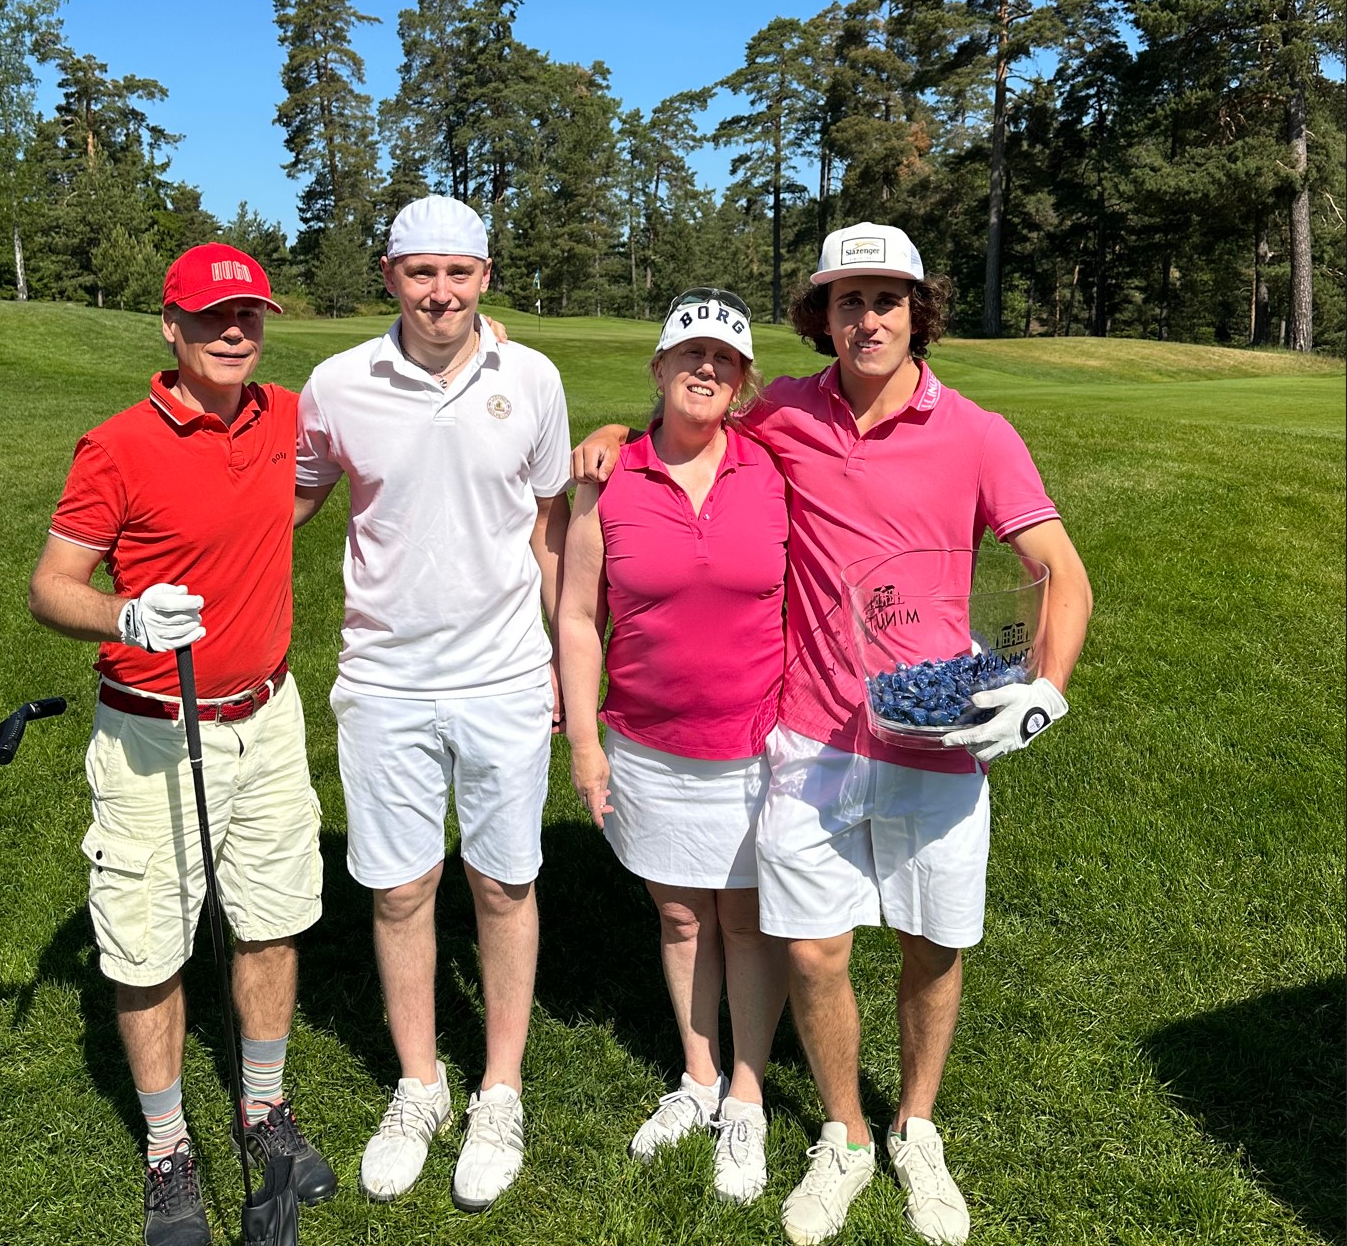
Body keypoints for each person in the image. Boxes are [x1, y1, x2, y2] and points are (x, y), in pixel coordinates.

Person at [574, 222, 1092, 1246]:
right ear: (823, 315)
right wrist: (610, 432)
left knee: (932, 949)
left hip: (936, 741)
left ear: (916, 311)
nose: (867, 318)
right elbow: (692, 413)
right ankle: (846, 1134)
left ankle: (916, 1127)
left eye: (886, 299)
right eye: (847, 300)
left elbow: (1059, 573)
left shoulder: (978, 433)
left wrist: (1044, 690)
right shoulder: (784, 412)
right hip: (809, 741)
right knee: (812, 953)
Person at [28, 244, 336, 1246]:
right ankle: (169, 1151)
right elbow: (50, 586)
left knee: (271, 918)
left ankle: (262, 1108)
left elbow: (376, 419)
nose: (232, 332)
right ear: (171, 326)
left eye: (247, 315)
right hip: (154, 731)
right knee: (148, 945)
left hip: (268, 716)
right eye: (210, 317)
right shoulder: (116, 445)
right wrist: (123, 614)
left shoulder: (287, 415)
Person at [293, 195, 571, 1212]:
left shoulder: (532, 379)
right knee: (400, 888)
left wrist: (561, 657)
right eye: (420, 272)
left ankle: (499, 1089)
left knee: (503, 882)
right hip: (384, 680)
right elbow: (290, 499)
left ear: (485, 278)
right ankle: (419, 1083)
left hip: (503, 673)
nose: (440, 292)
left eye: (458, 273)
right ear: (389, 276)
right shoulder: (337, 383)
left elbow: (547, 526)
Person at [558, 288, 790, 1205]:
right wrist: (584, 740)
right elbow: (579, 617)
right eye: (689, 353)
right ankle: (698, 1075)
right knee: (682, 917)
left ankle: (747, 1091)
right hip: (647, 742)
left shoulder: (772, 466)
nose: (705, 368)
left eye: (724, 359)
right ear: (657, 367)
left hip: (757, 742)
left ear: (741, 382)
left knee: (746, 919)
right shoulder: (606, 476)